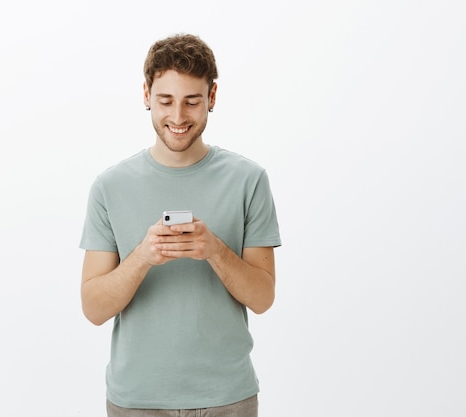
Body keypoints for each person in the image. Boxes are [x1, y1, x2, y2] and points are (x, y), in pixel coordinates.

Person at [79, 33, 281, 417]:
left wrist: (215, 250)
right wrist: (142, 257)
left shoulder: (248, 180)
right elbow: (93, 308)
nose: (177, 117)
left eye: (191, 101)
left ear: (212, 98)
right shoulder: (110, 187)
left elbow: (263, 298)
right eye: (165, 101)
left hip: (227, 397)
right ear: (146, 95)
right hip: (137, 400)